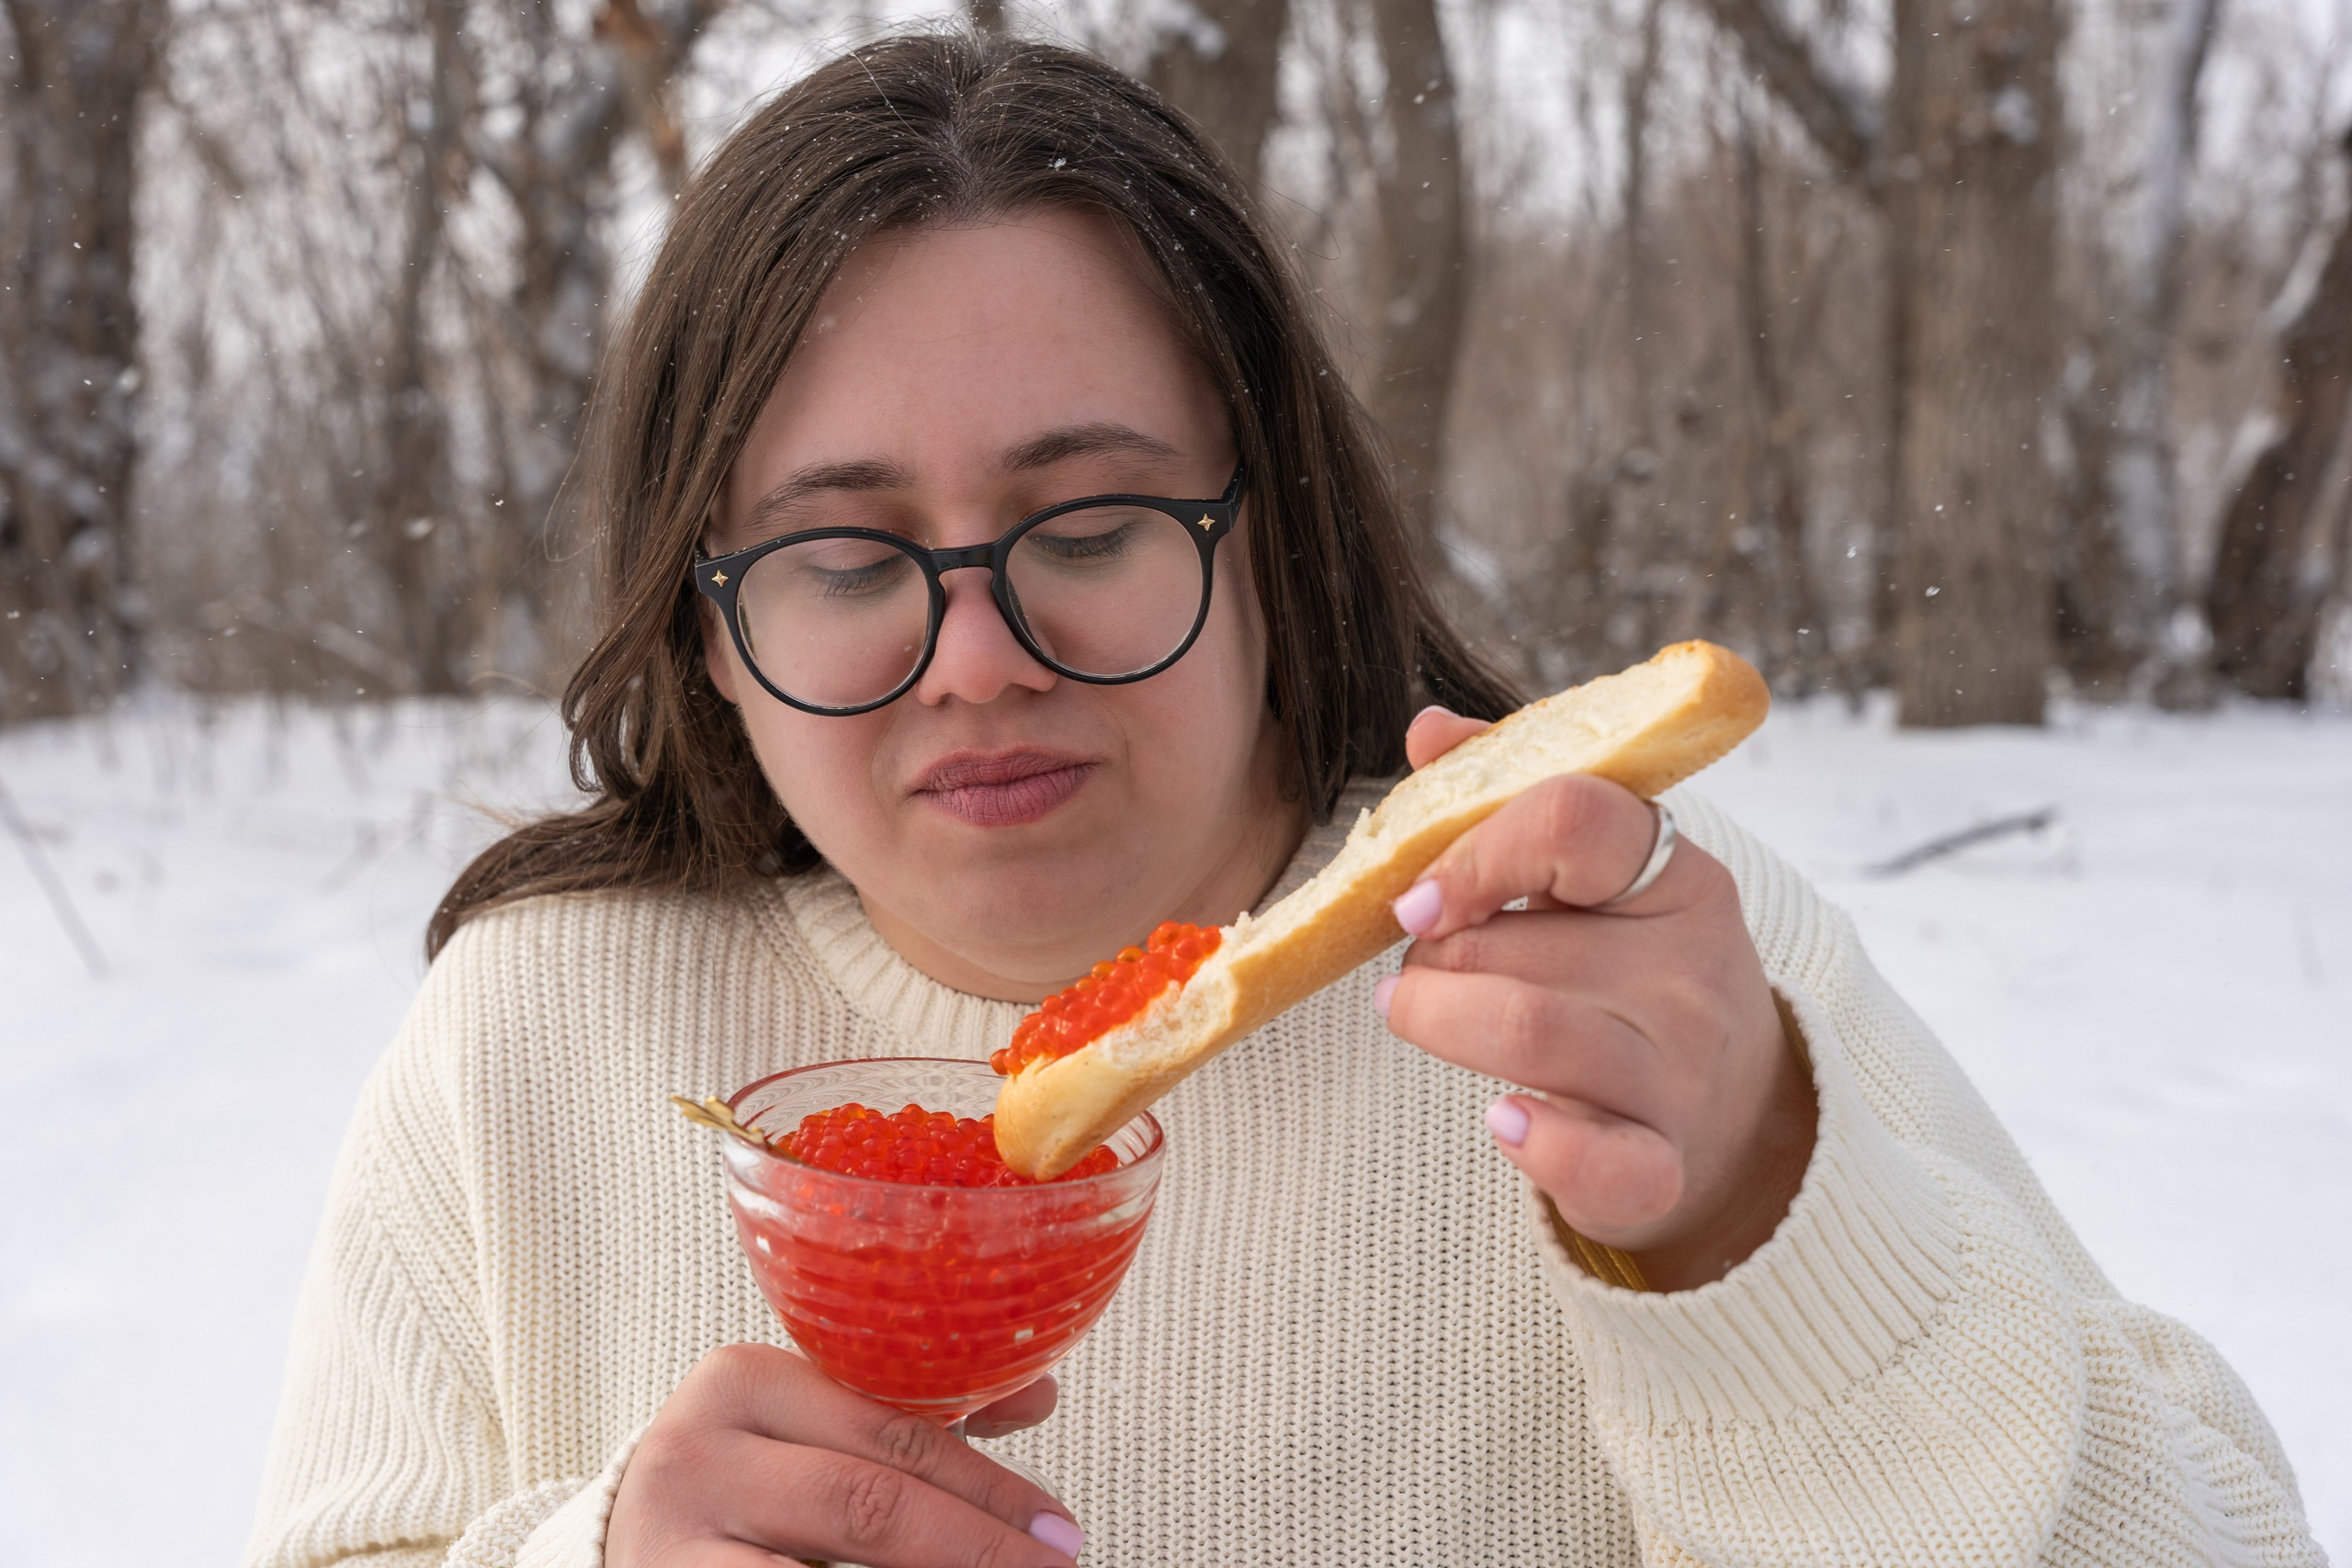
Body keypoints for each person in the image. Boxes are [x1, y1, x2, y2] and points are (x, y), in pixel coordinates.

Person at [243, 31, 2321, 1568]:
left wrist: (1755, 1238)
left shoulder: (1619, 976)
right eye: (847, 556)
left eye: (1094, 520)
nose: (977, 653)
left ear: (1269, 532)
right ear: (705, 627)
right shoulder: (530, 1044)